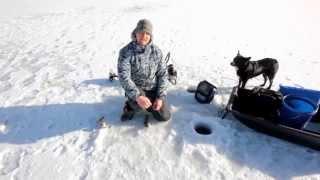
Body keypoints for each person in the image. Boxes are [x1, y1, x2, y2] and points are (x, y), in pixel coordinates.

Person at [117, 19, 171, 122]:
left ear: (151, 36)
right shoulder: (125, 52)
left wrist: (160, 97)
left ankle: (148, 102)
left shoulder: (156, 52)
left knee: (164, 116)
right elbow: (124, 77)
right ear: (135, 33)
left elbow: (163, 74)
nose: (144, 35)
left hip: (153, 88)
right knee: (139, 105)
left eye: (147, 33)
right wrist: (138, 96)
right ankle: (130, 106)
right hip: (137, 88)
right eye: (141, 32)